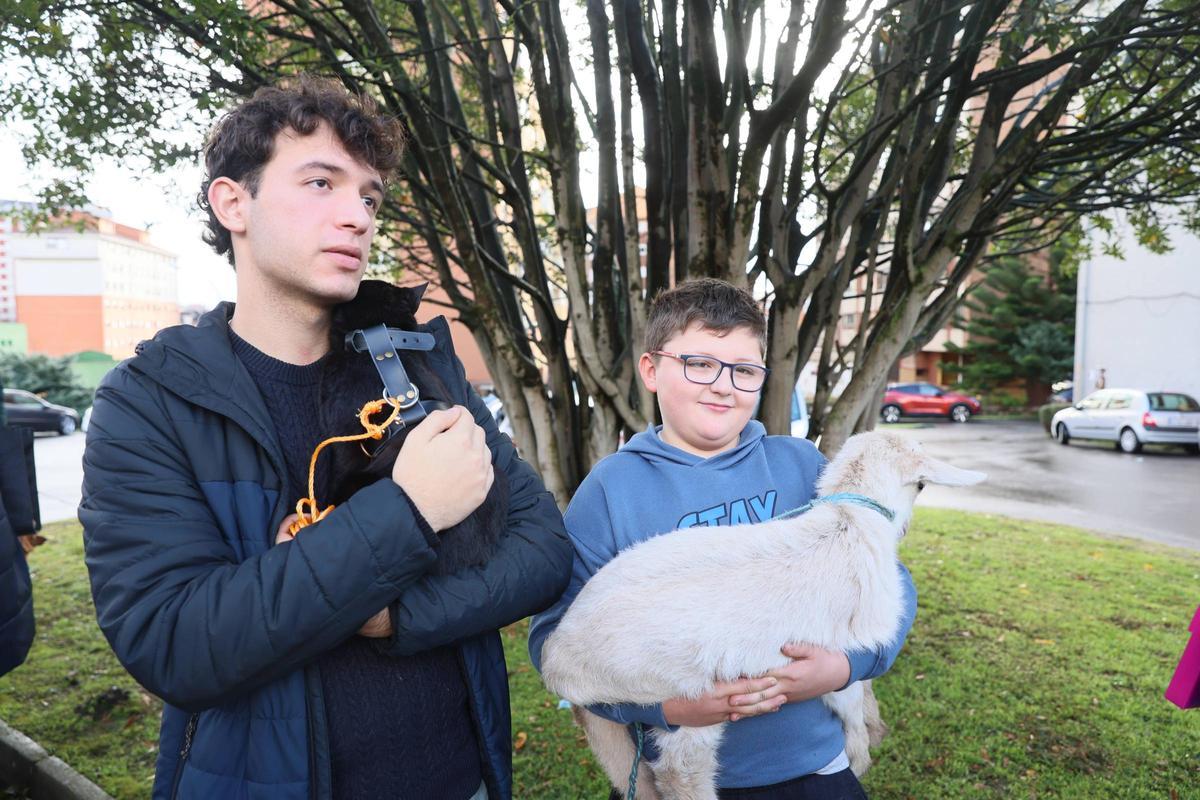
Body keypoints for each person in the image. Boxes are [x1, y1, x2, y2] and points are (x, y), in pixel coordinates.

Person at [80, 77, 572, 800]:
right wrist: (408, 513)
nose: (357, 217)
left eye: (369, 197)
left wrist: (392, 615)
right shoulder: (150, 403)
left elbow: (542, 552)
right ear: (232, 203)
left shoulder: (414, 373)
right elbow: (177, 644)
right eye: (321, 183)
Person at [528, 278, 917, 800]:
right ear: (651, 369)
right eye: (700, 363)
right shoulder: (611, 492)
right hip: (684, 782)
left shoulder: (802, 468)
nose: (723, 384)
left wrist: (844, 667)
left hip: (814, 768)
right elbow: (555, 641)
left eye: (744, 370)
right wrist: (667, 709)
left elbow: (887, 583)